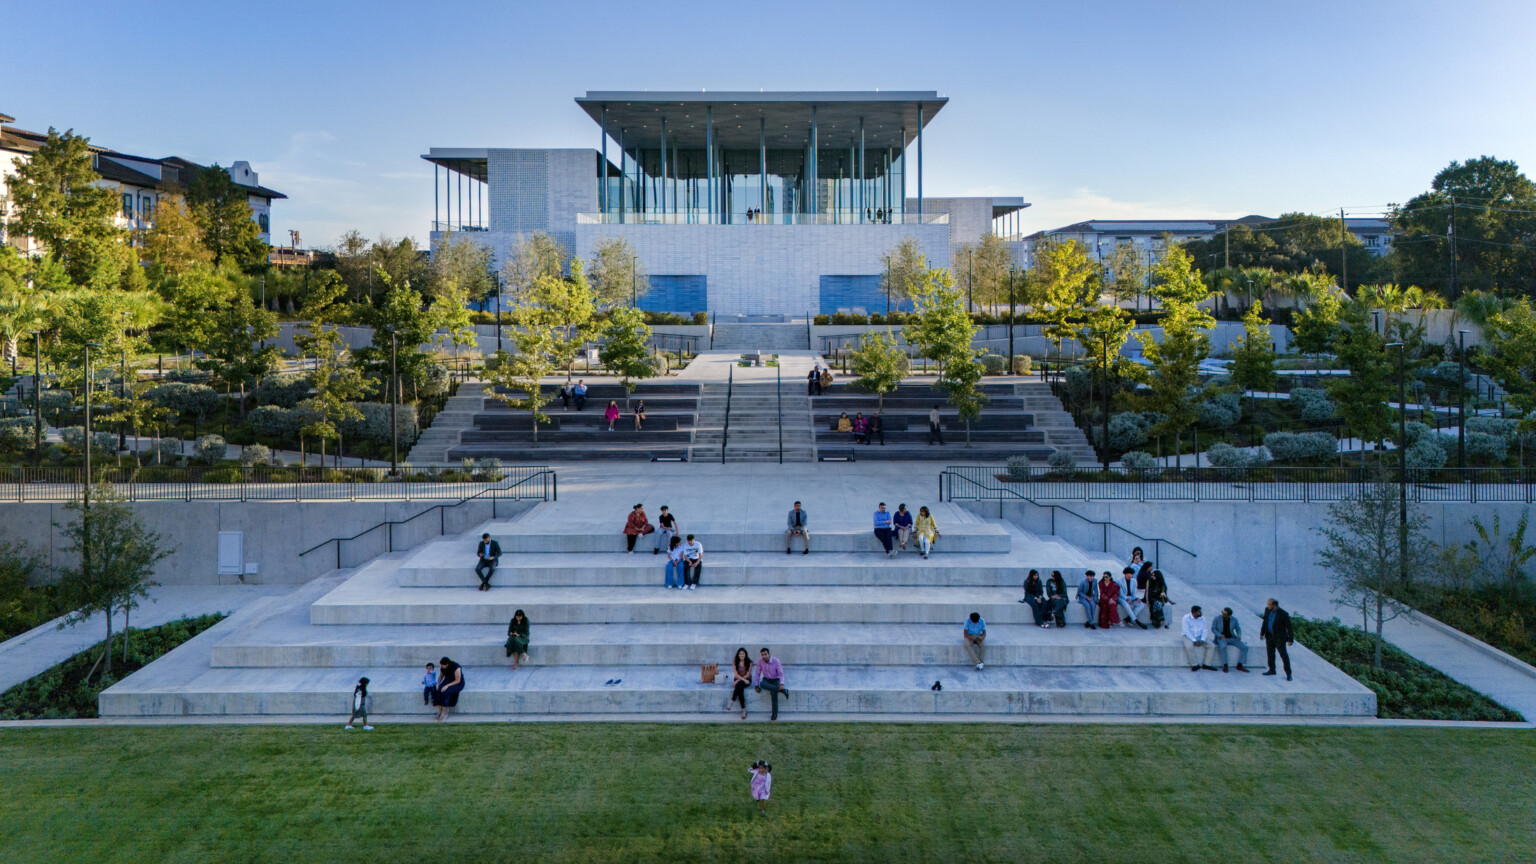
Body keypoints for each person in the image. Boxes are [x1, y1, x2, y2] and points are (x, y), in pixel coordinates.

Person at [1259, 598, 1295, 680]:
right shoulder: (1267, 610)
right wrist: (1262, 633)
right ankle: (1272, 670)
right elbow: (1265, 622)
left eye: (1269, 604)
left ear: (1274, 605)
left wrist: (1290, 639)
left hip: (1279, 638)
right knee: (1270, 654)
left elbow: (1289, 628)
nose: (1267, 605)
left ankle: (1288, 674)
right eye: (1267, 604)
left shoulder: (1283, 614)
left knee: (1283, 656)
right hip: (1269, 636)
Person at [754, 647, 788, 720]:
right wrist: (756, 685)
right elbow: (757, 673)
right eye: (762, 655)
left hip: (775, 679)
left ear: (769, 654)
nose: (764, 656)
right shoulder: (760, 662)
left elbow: (780, 673)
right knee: (762, 684)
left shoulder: (776, 661)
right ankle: (781, 690)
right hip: (766, 680)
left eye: (765, 654)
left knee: (773, 692)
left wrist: (781, 683)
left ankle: (774, 713)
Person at [1213, 607, 1250, 673]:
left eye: (1224, 614)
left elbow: (1238, 629)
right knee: (1223, 647)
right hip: (1222, 638)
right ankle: (1225, 664)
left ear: (1229, 615)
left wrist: (1239, 635)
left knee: (1245, 647)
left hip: (1232, 637)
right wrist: (1219, 635)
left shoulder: (1234, 620)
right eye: (1222, 612)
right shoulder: (1217, 618)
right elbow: (1213, 629)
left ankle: (1240, 665)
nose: (1222, 614)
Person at [1182, 606, 1219, 671]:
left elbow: (1204, 630)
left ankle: (1207, 664)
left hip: (1200, 636)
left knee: (1211, 646)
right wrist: (1194, 640)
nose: (1200, 613)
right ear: (1194, 613)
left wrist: (1202, 640)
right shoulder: (1186, 618)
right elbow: (1186, 631)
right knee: (1189, 647)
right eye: (1199, 612)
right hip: (1188, 636)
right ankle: (1195, 665)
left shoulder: (1202, 618)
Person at [433, 656, 465, 721]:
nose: (441, 667)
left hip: (456, 683)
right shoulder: (443, 668)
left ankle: (445, 710)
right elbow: (440, 677)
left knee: (445, 691)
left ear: (447, 664)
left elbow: (457, 680)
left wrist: (447, 686)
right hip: (447, 681)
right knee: (437, 690)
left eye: (442, 666)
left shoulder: (456, 667)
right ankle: (440, 710)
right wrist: (438, 684)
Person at [728, 647, 753, 719]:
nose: (742, 655)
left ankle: (732, 701)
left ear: (745, 654)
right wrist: (739, 680)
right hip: (738, 678)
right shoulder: (735, 661)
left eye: (743, 654)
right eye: (740, 654)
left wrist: (738, 681)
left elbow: (748, 674)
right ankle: (744, 711)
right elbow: (736, 674)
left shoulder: (749, 662)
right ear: (738, 655)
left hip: (747, 679)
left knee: (738, 686)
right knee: (740, 689)